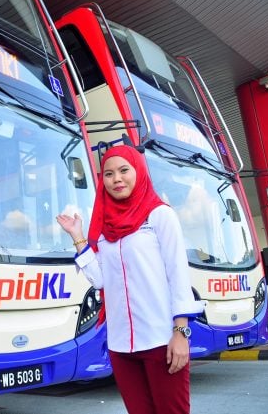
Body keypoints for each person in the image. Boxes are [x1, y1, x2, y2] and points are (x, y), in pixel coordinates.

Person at [56, 145, 204, 414]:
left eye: (124, 170)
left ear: (139, 171)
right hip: (121, 345)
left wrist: (181, 333)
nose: (117, 179)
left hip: (161, 340)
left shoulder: (160, 215)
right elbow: (101, 280)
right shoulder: (103, 226)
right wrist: (78, 238)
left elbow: (178, 276)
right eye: (109, 174)